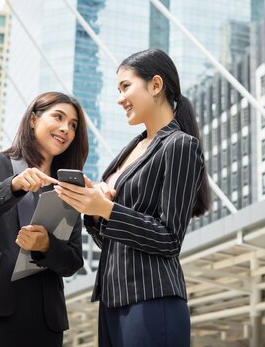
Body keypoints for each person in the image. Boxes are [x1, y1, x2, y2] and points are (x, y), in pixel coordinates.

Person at [55, 49, 210, 347]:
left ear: (155, 85)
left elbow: (169, 238)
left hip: (152, 298)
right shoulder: (128, 150)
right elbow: (112, 240)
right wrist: (95, 211)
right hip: (112, 300)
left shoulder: (179, 145)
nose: (119, 98)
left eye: (126, 86)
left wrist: (108, 210)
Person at [0, 91, 88, 347]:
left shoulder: (67, 187)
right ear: (34, 119)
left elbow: (73, 261)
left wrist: (46, 245)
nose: (65, 129)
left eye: (73, 125)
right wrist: (12, 187)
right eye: (58, 117)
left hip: (44, 317)